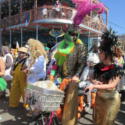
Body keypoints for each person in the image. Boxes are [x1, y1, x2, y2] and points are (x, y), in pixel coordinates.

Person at [53, 0, 105, 124]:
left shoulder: (80, 47)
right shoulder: (61, 45)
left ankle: (70, 120)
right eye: (71, 34)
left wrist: (76, 76)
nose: (74, 37)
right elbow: (58, 61)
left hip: (73, 79)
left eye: (76, 35)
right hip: (62, 77)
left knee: (71, 103)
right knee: (59, 100)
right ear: (67, 34)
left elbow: (82, 63)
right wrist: (54, 73)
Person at [85, 29, 124, 125]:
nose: (99, 53)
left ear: (107, 54)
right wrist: (94, 82)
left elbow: (111, 86)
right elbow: (90, 78)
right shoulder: (99, 66)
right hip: (99, 98)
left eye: (101, 52)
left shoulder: (116, 69)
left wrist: (94, 86)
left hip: (111, 100)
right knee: (97, 122)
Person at [22, 39, 48, 117]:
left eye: (29, 46)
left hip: (37, 79)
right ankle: (35, 111)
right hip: (31, 78)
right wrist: (26, 67)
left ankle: (37, 112)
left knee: (36, 97)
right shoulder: (32, 55)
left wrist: (28, 70)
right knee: (32, 97)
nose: (28, 47)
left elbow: (39, 68)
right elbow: (32, 65)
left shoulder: (40, 55)